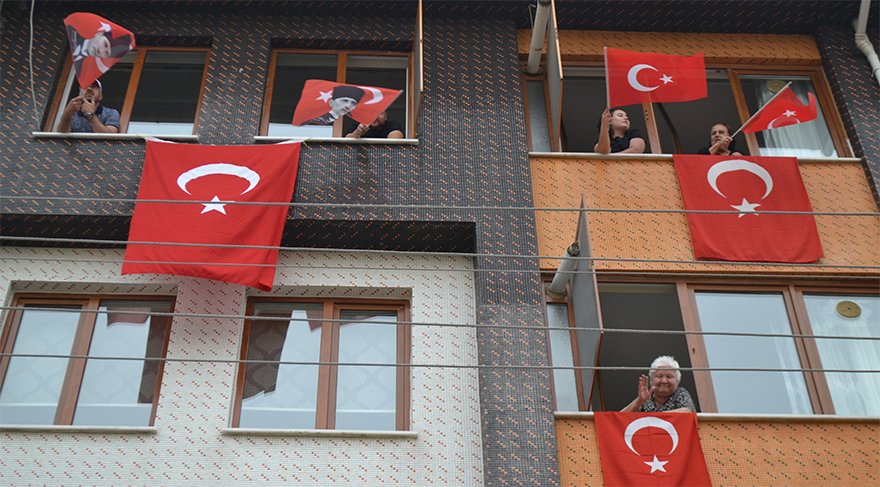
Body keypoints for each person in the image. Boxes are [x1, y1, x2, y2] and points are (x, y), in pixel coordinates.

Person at [621, 355, 696, 413]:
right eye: (659, 376)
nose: (664, 381)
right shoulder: (646, 398)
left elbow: (688, 412)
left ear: (677, 380)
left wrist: (655, 417)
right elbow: (619, 418)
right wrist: (639, 401)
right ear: (652, 380)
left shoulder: (680, 393)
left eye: (669, 377)